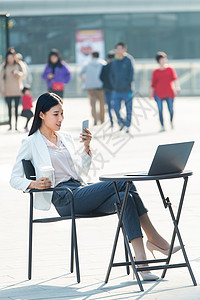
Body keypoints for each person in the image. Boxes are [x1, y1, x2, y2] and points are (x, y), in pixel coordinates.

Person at [10, 92, 181, 282]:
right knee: (125, 183)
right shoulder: (31, 142)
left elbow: (81, 170)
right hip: (64, 198)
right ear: (41, 115)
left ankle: (141, 264)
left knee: (125, 197)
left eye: (62, 114)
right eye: (56, 114)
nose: (61, 118)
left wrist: (86, 147)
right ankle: (156, 240)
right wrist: (33, 183)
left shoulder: (65, 137)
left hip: (80, 190)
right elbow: (14, 178)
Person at [149, 51, 181, 132]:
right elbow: (153, 84)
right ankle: (162, 125)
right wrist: (151, 94)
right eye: (161, 60)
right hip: (159, 93)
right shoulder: (155, 72)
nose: (163, 61)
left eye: (164, 59)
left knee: (170, 108)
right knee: (160, 110)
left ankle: (171, 122)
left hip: (169, 92)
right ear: (158, 61)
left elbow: (175, 79)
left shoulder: (170, 69)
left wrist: (177, 87)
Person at [110, 42, 134, 133]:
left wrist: (127, 84)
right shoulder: (114, 61)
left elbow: (131, 74)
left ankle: (128, 125)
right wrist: (114, 84)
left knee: (129, 109)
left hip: (127, 90)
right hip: (116, 90)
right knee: (115, 108)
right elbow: (111, 75)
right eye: (117, 49)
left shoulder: (128, 60)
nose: (118, 51)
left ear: (124, 50)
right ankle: (122, 121)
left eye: (120, 49)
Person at [0, 47, 27, 131]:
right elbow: (1, 79)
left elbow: (24, 75)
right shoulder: (4, 66)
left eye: (11, 57)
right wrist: (2, 90)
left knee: (16, 108)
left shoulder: (19, 64)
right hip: (8, 90)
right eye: (8, 58)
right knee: (9, 108)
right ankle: (10, 125)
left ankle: (15, 126)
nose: (10, 59)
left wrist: (17, 74)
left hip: (17, 90)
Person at [80, 51, 106, 125]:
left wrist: (85, 80)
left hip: (90, 87)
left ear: (92, 56)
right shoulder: (103, 63)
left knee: (93, 105)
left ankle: (95, 120)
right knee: (102, 104)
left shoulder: (87, 64)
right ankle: (102, 120)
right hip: (101, 87)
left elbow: (81, 73)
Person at [100, 51, 115, 127]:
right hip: (115, 89)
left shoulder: (105, 67)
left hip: (107, 88)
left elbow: (101, 77)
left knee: (109, 105)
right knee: (116, 105)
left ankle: (112, 121)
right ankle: (118, 120)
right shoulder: (116, 67)